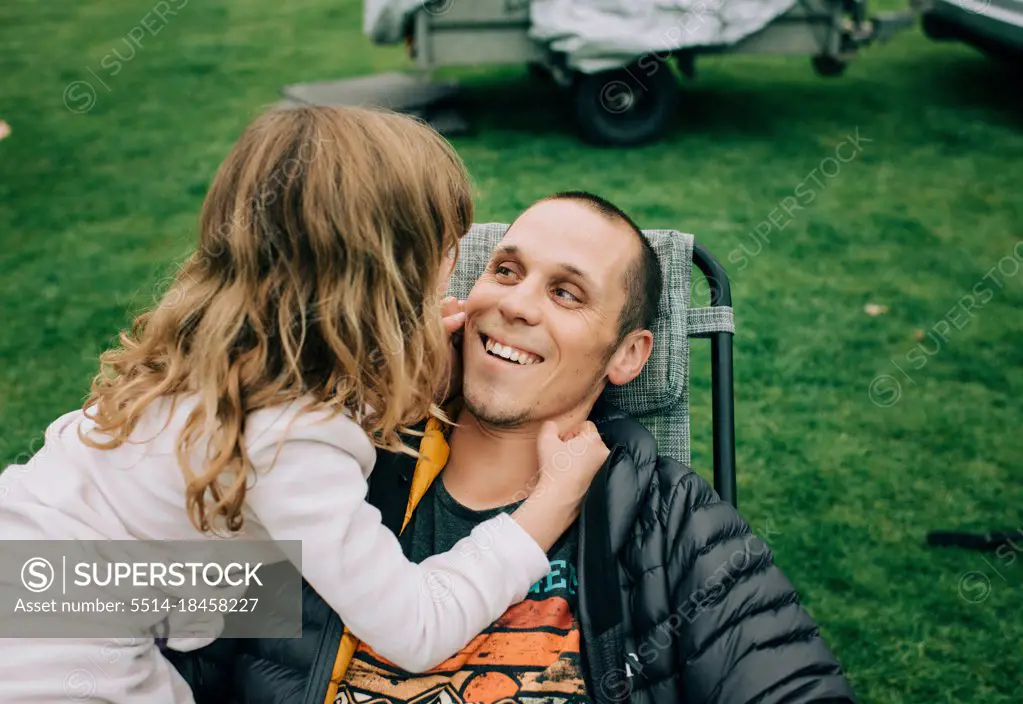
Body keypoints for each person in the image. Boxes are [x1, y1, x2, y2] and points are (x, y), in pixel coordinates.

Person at [0, 108, 610, 703]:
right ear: (387, 287)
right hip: (51, 658)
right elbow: (417, 628)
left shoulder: (216, 354)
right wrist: (550, 502)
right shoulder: (295, 438)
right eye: (444, 258)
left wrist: (398, 380)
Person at [170, 191, 859, 704]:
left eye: (565, 292)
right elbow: (95, 609)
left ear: (627, 355)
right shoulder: (325, 473)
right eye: (504, 271)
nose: (517, 305)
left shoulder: (666, 522)